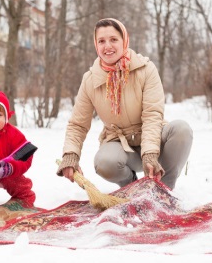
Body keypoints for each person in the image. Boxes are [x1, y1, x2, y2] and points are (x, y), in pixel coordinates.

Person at [57, 18, 193, 190]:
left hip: (152, 138)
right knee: (104, 162)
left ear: (124, 40)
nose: (108, 46)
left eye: (113, 39)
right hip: (121, 145)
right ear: (96, 45)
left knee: (181, 129)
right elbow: (78, 124)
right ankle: (131, 188)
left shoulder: (146, 69)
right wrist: (70, 155)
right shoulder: (90, 80)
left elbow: (152, 115)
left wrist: (150, 153)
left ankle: (164, 189)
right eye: (102, 41)